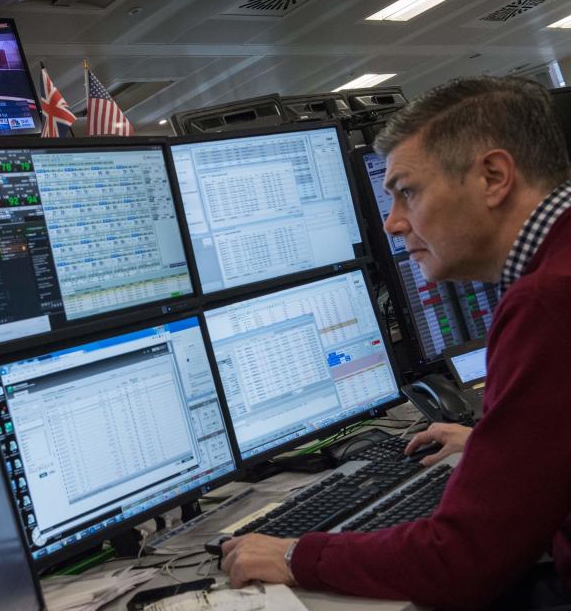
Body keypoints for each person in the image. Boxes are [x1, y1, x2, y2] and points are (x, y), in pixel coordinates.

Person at [221, 76, 571, 609]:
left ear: (494, 177)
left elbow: (460, 561)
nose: (393, 223)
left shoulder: (548, 302)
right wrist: (495, 448)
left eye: (407, 191)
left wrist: (294, 555)